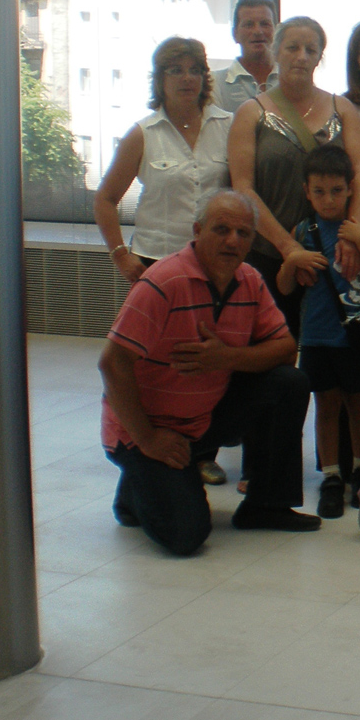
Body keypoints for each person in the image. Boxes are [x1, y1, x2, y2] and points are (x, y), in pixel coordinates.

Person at [98, 190, 319, 555]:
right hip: (144, 430)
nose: (232, 241)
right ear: (198, 231)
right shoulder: (163, 281)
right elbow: (112, 363)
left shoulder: (249, 280)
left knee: (289, 383)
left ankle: (267, 505)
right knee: (186, 535)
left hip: (202, 419)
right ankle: (137, 489)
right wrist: (149, 439)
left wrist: (225, 358)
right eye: (221, 229)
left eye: (243, 233)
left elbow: (285, 349)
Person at [94, 38, 237, 486]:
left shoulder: (227, 126)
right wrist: (120, 254)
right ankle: (144, 445)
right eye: (175, 70)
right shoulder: (144, 133)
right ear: (160, 79)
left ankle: (203, 452)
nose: (186, 78)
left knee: (205, 360)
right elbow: (105, 199)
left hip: (212, 265)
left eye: (194, 69)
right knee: (155, 364)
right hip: (155, 265)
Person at [228, 16, 360, 337]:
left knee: (334, 351)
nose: (301, 57)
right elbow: (243, 188)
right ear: (276, 51)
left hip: (337, 254)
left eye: (311, 49)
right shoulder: (251, 113)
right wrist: (289, 248)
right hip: (269, 253)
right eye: (293, 48)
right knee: (272, 347)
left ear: (320, 57)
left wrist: (354, 235)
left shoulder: (343, 109)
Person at [277, 145, 360, 519]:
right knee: (325, 405)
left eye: (337, 191)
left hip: (355, 337)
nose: (328, 200)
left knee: (358, 402)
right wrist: (293, 260)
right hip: (316, 336)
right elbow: (285, 287)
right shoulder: (302, 231)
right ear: (307, 192)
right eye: (319, 191)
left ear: (351, 189)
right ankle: (331, 476)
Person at [212, 0, 279, 113]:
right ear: (235, 34)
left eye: (265, 24)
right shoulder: (215, 84)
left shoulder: (291, 80)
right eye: (249, 24)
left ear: (277, 31)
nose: (258, 31)